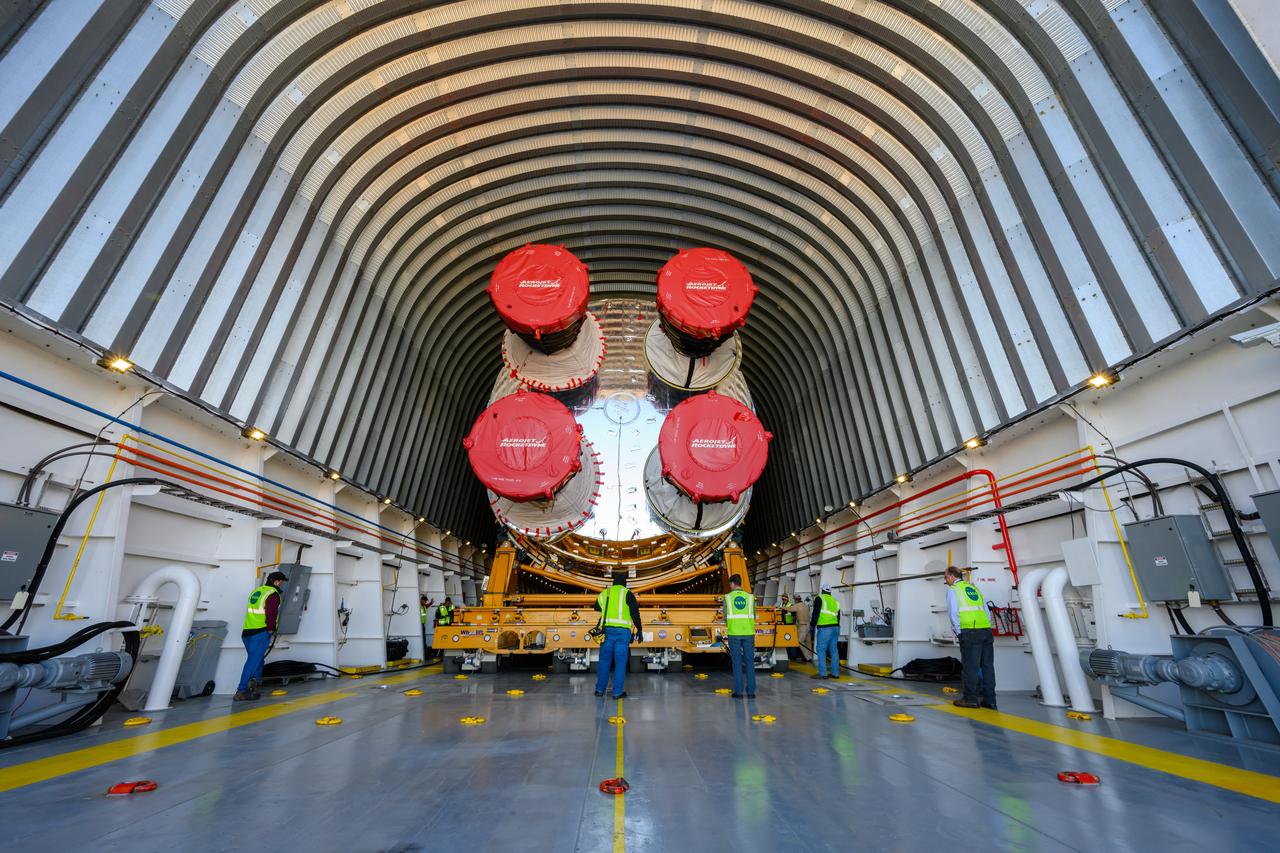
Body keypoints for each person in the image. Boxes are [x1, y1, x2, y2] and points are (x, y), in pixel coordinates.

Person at [945, 567, 996, 709]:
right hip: (986, 631)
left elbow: (953, 612)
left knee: (970, 667)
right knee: (987, 666)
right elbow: (986, 611)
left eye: (946, 577)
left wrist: (958, 632)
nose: (945, 580)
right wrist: (986, 627)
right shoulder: (974, 588)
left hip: (969, 632)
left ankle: (970, 698)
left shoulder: (953, 590)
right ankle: (990, 700)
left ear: (952, 576)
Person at [235, 571, 288, 701]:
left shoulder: (257, 591)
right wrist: (271, 629)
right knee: (253, 662)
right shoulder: (273, 594)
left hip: (247, 632)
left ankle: (253, 686)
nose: (281, 584)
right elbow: (271, 613)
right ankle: (241, 691)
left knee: (258, 660)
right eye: (281, 582)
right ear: (276, 582)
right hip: (260, 633)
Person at [593, 571, 643, 698]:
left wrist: (609, 608)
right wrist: (639, 629)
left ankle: (599, 690)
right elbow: (635, 613)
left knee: (604, 661)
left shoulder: (605, 593)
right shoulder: (627, 593)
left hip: (606, 631)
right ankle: (617, 692)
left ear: (613, 583)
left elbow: (596, 607)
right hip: (622, 633)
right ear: (624, 583)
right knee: (620, 662)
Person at [723, 575, 756, 698]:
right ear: (740, 583)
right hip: (749, 633)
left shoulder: (727, 598)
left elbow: (725, 617)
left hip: (734, 633)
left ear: (732, 583)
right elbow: (754, 615)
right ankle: (751, 692)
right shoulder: (750, 597)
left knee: (737, 663)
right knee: (749, 662)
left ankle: (738, 692)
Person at [810, 585, 841, 679]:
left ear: (822, 591)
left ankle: (823, 673)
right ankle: (835, 673)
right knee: (834, 650)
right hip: (835, 628)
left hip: (825, 628)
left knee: (821, 650)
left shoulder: (819, 599)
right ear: (830, 592)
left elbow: (815, 613)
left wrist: (812, 625)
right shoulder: (835, 601)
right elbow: (838, 617)